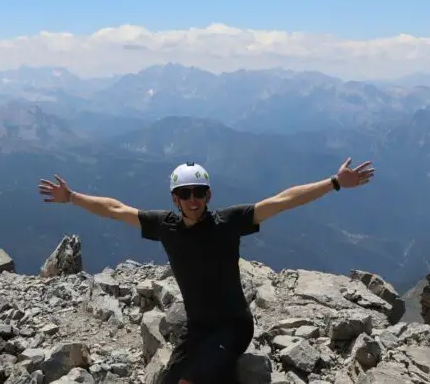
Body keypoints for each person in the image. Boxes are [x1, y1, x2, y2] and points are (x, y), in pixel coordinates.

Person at [37, 157, 375, 384]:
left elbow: (282, 201)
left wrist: (334, 182)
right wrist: (72, 197)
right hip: (198, 330)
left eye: (199, 193)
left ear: (208, 194)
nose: (193, 199)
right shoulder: (164, 225)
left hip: (234, 327)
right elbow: (114, 209)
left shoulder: (228, 222)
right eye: (185, 194)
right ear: (175, 199)